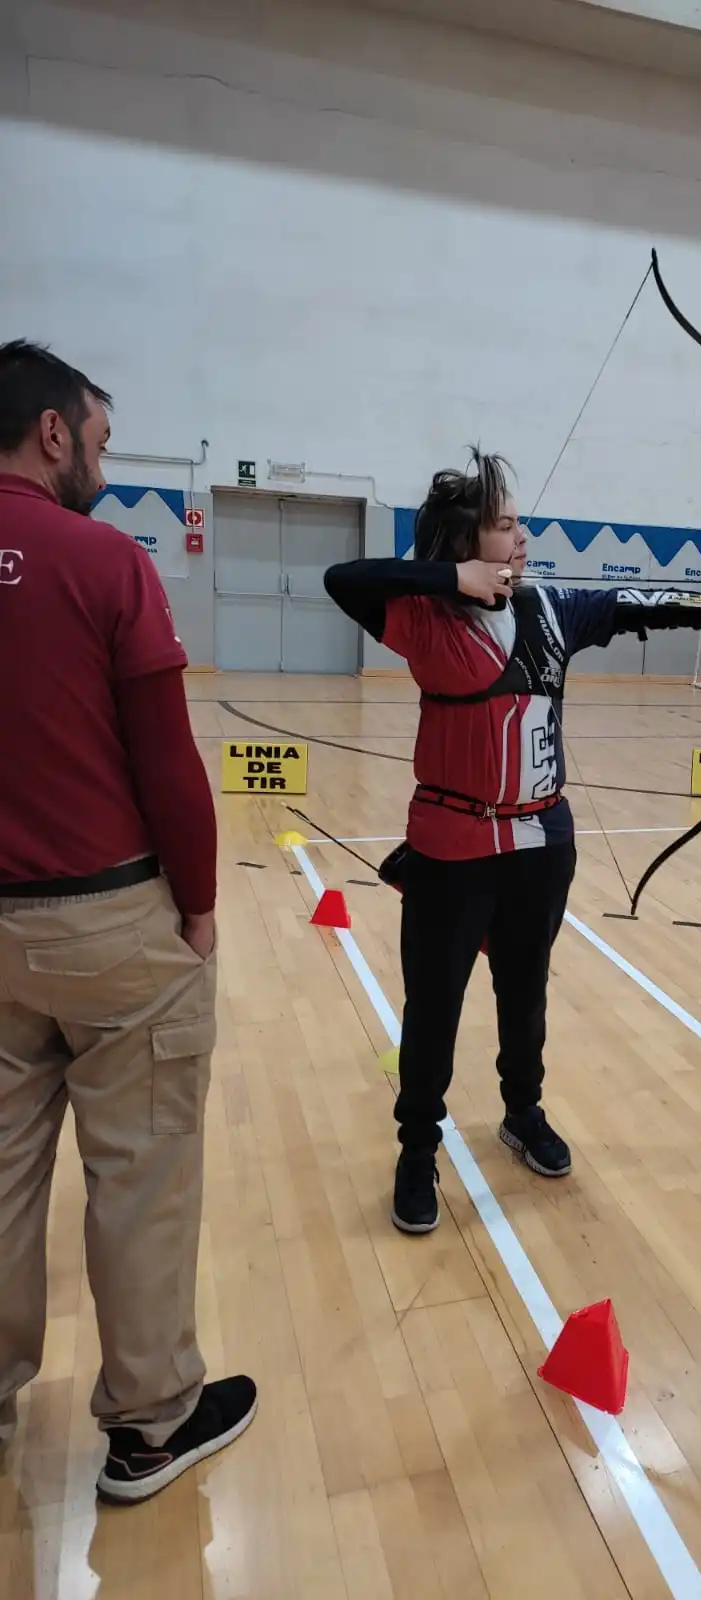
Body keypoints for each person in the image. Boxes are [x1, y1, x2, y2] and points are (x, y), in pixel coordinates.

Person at [324, 450, 701, 1233]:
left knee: (524, 991)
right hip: (451, 845)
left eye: (516, 523)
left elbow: (644, 603)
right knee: (434, 1007)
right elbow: (344, 578)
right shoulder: (423, 617)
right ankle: (416, 1152)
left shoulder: (550, 608)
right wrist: (453, 580)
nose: (523, 536)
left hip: (542, 843)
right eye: (505, 526)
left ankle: (522, 1112)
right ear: (466, 540)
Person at [0, 341, 255, 1505]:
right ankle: (151, 1427)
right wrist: (197, 906)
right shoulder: (103, 560)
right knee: (142, 1175)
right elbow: (168, 762)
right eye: (98, 442)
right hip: (109, 923)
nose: (101, 464)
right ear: (51, 432)